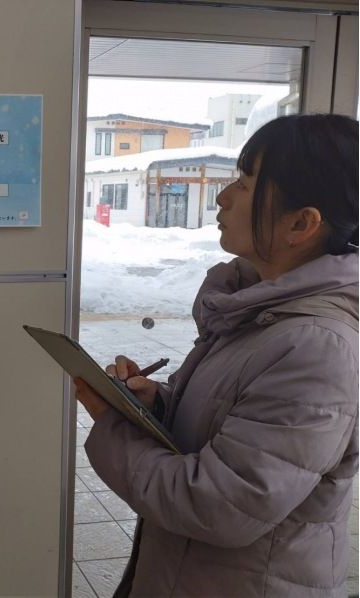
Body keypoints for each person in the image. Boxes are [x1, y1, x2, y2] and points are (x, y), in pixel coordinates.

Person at [75, 114, 358, 597]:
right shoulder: (258, 309)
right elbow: (231, 427)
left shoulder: (316, 346)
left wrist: (112, 425)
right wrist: (155, 402)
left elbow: (220, 506)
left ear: (301, 223)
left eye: (247, 184)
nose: (224, 197)